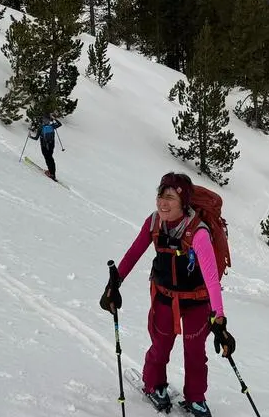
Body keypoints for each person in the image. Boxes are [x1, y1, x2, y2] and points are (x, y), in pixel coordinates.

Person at [99, 172, 235, 416]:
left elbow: (212, 279)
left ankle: (196, 398)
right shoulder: (153, 222)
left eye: (170, 198)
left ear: (184, 202)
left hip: (196, 300)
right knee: (160, 345)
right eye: (160, 196)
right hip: (163, 295)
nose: (162, 203)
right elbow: (134, 253)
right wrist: (114, 283)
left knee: (195, 352)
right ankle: (154, 384)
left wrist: (219, 318)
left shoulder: (198, 232)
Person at [30, 113, 62, 181]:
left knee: (47, 158)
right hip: (51, 145)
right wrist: (54, 118)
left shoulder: (41, 127)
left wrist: (30, 136)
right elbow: (60, 124)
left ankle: (51, 173)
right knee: (51, 158)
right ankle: (52, 173)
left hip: (44, 145)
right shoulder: (52, 126)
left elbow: (36, 138)